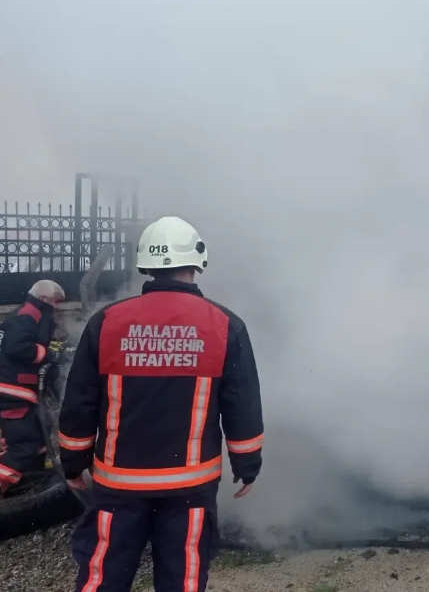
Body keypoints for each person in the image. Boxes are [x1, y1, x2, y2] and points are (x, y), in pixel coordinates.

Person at [58, 216, 264, 592]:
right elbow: (242, 404)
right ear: (197, 260)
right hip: (191, 484)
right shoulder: (224, 325)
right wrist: (247, 464)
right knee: (182, 577)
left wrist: (72, 464)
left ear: (146, 266)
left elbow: (79, 404)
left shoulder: (106, 323)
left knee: (102, 575)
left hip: (118, 483)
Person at [0, 280, 65, 495]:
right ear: (44, 299)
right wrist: (47, 354)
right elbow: (17, 347)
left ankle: (28, 482)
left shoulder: (27, 314)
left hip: (18, 390)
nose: (58, 308)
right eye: (56, 302)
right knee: (24, 446)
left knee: (39, 433)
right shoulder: (28, 316)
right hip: (12, 391)